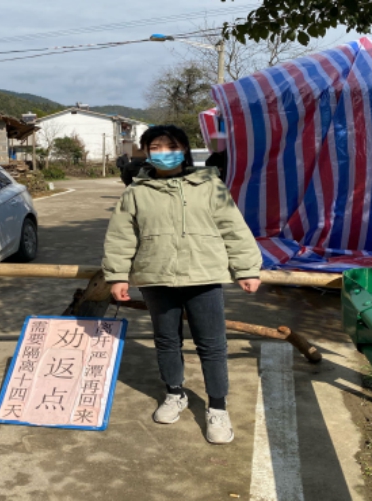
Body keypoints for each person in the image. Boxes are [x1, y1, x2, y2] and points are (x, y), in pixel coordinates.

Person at [102, 125, 262, 444]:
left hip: (204, 274)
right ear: (146, 152)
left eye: (171, 147)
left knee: (212, 344)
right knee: (166, 340)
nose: (164, 153)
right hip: (156, 275)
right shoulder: (135, 192)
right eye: (156, 148)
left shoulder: (210, 185)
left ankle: (218, 407)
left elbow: (234, 228)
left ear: (185, 150)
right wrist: (118, 275)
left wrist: (246, 269)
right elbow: (121, 236)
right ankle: (175, 393)